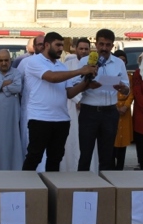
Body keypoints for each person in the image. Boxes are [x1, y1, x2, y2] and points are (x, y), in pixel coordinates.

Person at [22, 32, 97, 171]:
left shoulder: (62, 67)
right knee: (34, 156)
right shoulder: (34, 61)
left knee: (55, 158)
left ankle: (52, 191)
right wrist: (80, 70)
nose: (60, 48)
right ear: (46, 45)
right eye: (57, 45)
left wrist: (86, 82)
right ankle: (26, 190)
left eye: (62, 45)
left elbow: (69, 93)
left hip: (61, 119)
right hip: (40, 118)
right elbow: (51, 77)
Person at [74, 30, 130, 172]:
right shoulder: (84, 61)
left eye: (108, 45)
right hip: (89, 112)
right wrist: (87, 84)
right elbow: (74, 85)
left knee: (107, 156)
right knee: (85, 154)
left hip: (110, 112)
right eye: (101, 44)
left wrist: (122, 88)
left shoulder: (118, 63)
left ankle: (105, 190)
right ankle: (83, 190)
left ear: (112, 46)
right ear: (96, 44)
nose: (104, 48)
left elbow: (127, 89)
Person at [61, 37, 94, 172]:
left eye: (86, 49)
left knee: (88, 140)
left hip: (89, 105)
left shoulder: (94, 66)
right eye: (81, 48)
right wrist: (77, 99)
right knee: (71, 138)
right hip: (72, 106)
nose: (83, 51)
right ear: (75, 48)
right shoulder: (68, 65)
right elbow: (66, 85)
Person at [113, 51, 134, 170]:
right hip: (113, 109)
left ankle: (120, 167)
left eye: (124, 60)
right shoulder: (110, 75)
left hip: (125, 112)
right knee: (112, 138)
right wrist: (116, 106)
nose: (122, 62)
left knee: (123, 140)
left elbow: (131, 93)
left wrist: (126, 106)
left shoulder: (129, 76)